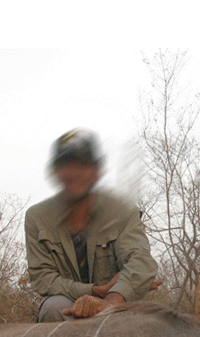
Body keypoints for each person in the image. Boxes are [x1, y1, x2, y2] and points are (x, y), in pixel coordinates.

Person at [25, 128, 159, 322]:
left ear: (97, 171)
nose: (74, 173)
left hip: (115, 306)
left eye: (83, 165)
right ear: (54, 172)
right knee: (53, 308)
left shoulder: (122, 212)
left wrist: (111, 300)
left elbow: (140, 261)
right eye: (66, 165)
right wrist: (94, 291)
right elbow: (42, 278)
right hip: (66, 307)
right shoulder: (37, 217)